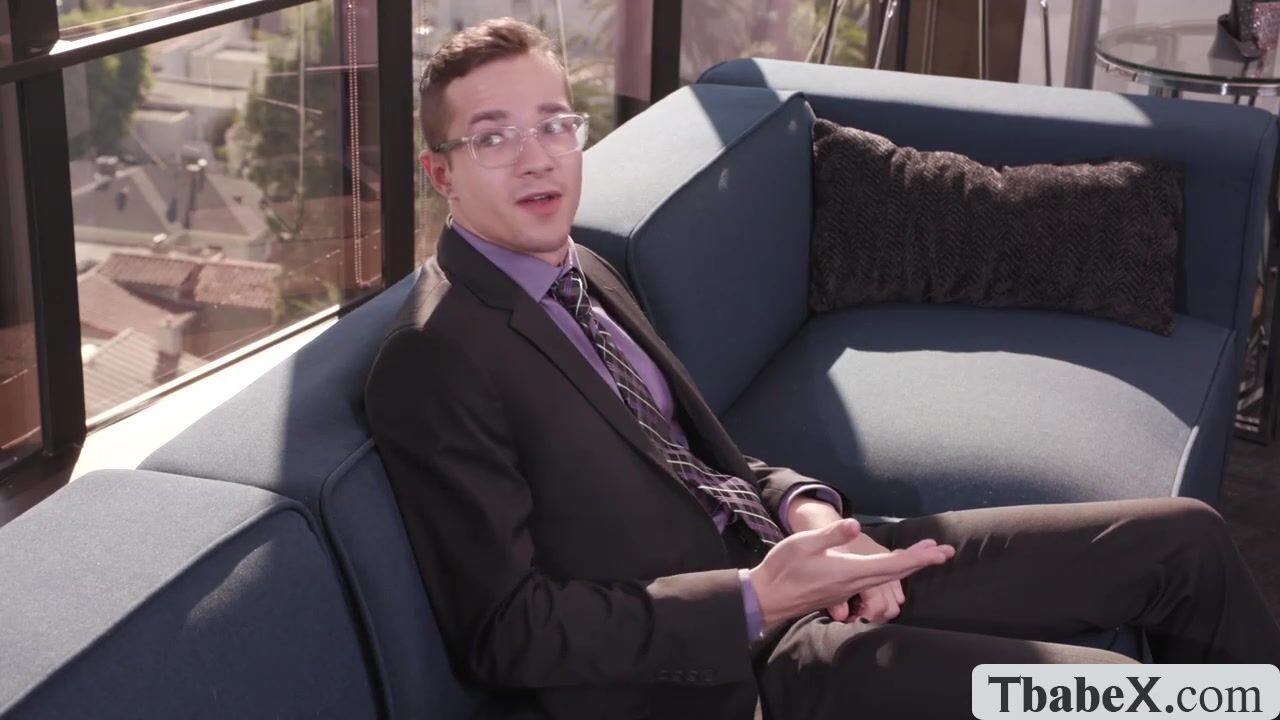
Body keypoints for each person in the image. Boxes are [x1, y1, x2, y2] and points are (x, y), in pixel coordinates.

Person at [365, 18, 1280, 720]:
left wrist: (808, 509)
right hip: (747, 664)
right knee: (1106, 695)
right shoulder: (434, 356)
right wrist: (755, 601)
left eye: (554, 124)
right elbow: (507, 633)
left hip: (804, 560)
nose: (537, 156)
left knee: (1184, 542)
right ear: (440, 174)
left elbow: (701, 460)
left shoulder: (584, 267)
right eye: (493, 137)